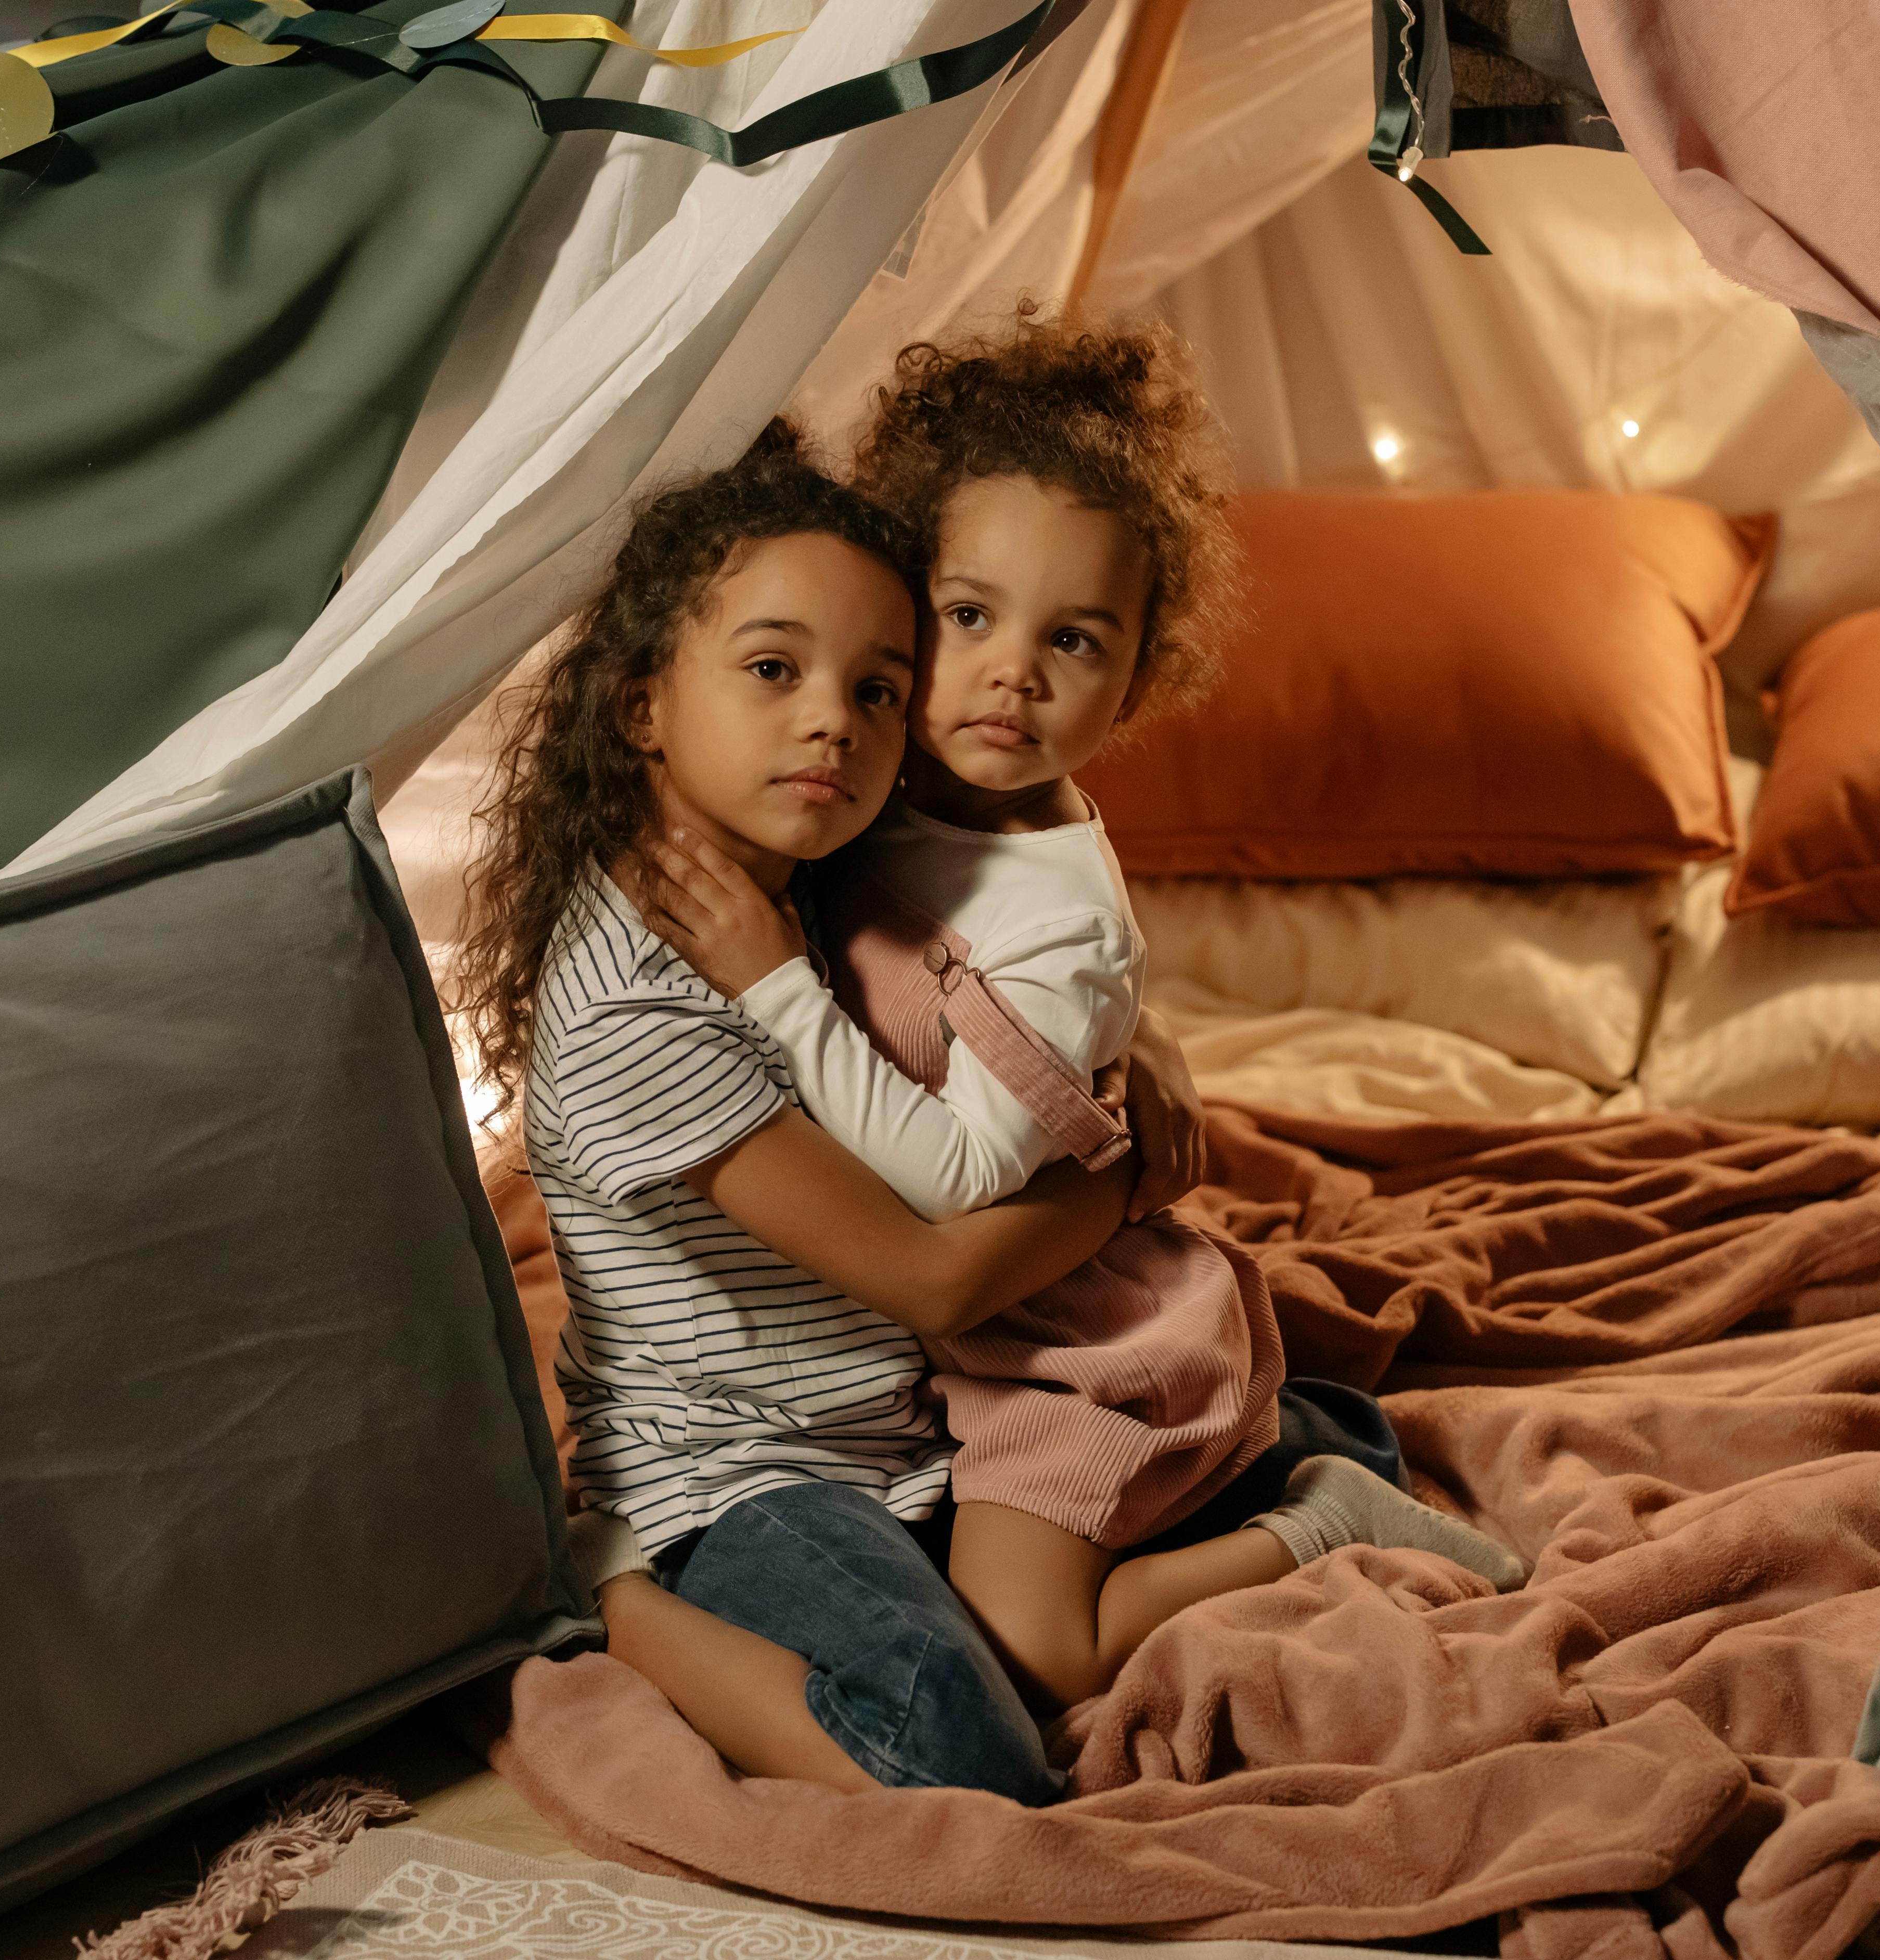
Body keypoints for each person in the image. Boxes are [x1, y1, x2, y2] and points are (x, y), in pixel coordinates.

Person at [446, 415, 1469, 1803]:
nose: (832, 722)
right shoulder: (646, 988)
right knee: (958, 1749)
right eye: (771, 671)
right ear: (639, 706)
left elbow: (1011, 962)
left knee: (1086, 1522)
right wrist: (1126, 1173)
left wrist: (1137, 1037)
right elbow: (928, 1270)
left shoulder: (803, 854)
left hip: (915, 1426)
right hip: (742, 1472)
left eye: (879, 688)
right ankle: (606, 1597)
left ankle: (1290, 1447)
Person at [628, 316, 1525, 1721]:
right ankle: (1263, 1446)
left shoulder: (1056, 916)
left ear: (1140, 671)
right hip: (920, 1349)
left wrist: (766, 983)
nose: (1011, 675)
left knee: (1033, 1651)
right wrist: (1138, 1040)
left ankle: (1325, 1519)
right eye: (968, 617)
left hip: (1063, 1348)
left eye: (1076, 641)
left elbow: (955, 1178)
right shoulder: (876, 785)